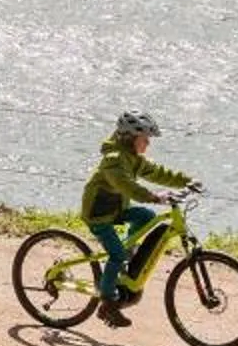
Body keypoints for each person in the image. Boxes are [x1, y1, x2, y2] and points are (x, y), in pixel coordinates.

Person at [81, 110, 197, 327]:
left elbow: (158, 172)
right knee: (115, 255)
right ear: (130, 138)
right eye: (145, 139)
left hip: (116, 209)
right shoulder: (113, 161)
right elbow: (127, 186)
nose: (148, 144)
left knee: (146, 217)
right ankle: (107, 304)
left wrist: (187, 181)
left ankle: (128, 251)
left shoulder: (133, 158)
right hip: (99, 215)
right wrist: (153, 196)